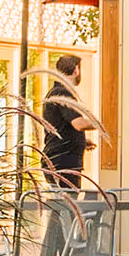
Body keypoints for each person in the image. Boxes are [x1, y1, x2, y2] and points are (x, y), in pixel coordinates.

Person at [38, 53, 97, 192]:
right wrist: (102, 124)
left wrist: (80, 140)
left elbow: (62, 125)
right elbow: (79, 124)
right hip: (64, 163)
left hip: (56, 160)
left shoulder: (54, 92)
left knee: (58, 207)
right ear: (76, 70)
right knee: (67, 207)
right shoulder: (63, 93)